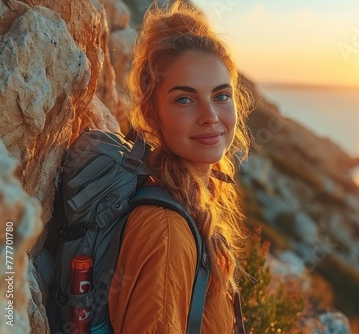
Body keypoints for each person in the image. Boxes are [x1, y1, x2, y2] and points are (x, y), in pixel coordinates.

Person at [108, 1, 252, 333]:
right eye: (184, 99)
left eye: (220, 96)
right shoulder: (167, 231)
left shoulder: (190, 199)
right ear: (151, 113)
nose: (210, 116)